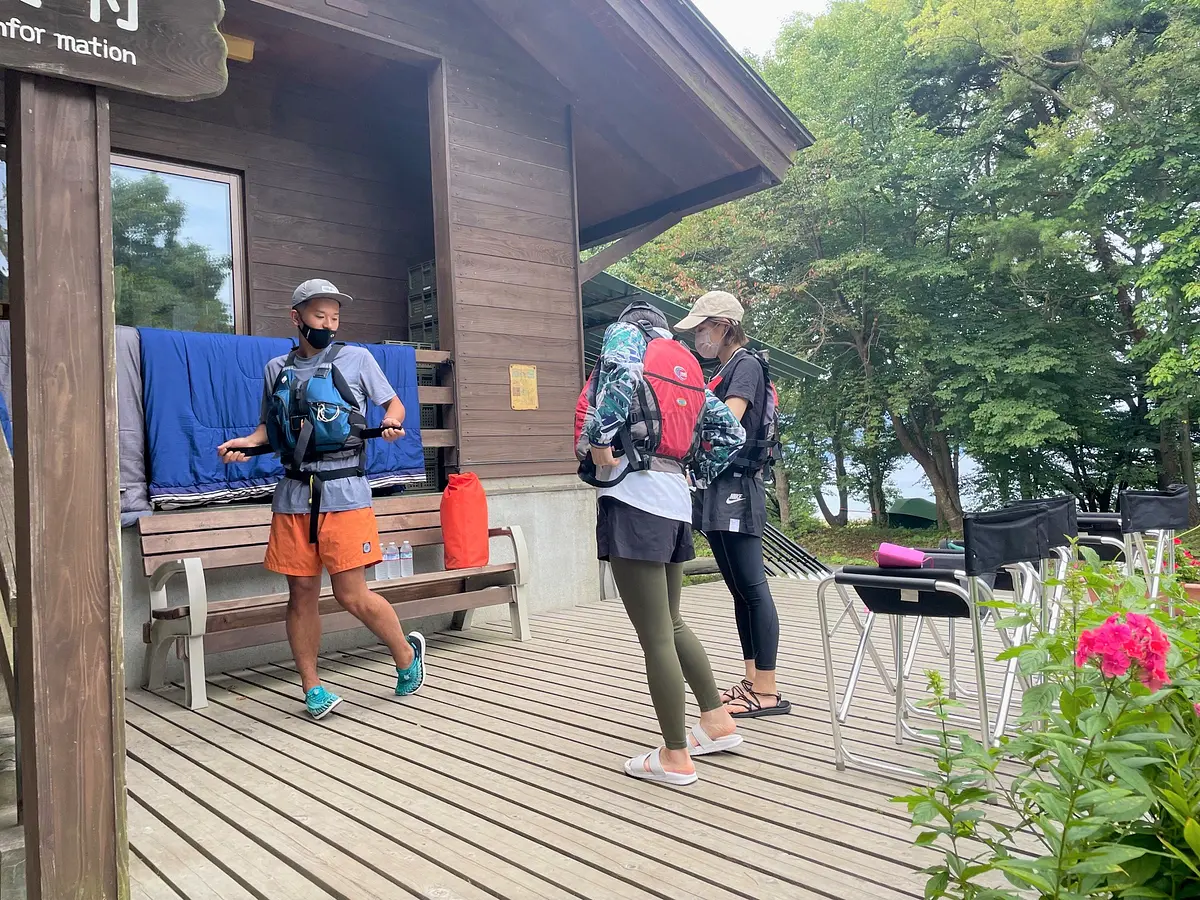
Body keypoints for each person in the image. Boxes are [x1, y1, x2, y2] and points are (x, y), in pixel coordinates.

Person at [218, 278, 425, 720]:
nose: (328, 324)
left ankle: (406, 654)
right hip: (293, 495)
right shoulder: (277, 368)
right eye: (319, 316)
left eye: (334, 317)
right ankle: (312, 687)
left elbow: (395, 406)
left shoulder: (357, 358)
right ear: (297, 318)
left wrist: (389, 421)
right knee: (301, 595)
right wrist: (244, 446)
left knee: (352, 594)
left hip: (345, 492)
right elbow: (267, 432)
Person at [578, 301, 747, 786]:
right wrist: (697, 474)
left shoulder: (627, 338)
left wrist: (600, 443)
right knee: (672, 624)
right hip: (675, 499)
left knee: (655, 635)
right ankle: (716, 723)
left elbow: (617, 377)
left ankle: (675, 756)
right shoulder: (684, 361)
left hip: (634, 495)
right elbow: (729, 431)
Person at [675, 291, 791, 718]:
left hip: (738, 487)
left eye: (701, 329)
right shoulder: (725, 368)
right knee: (739, 590)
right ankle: (752, 679)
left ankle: (768, 689)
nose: (696, 338)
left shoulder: (744, 365)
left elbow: (727, 421)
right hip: (718, 488)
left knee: (753, 587)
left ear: (723, 327)